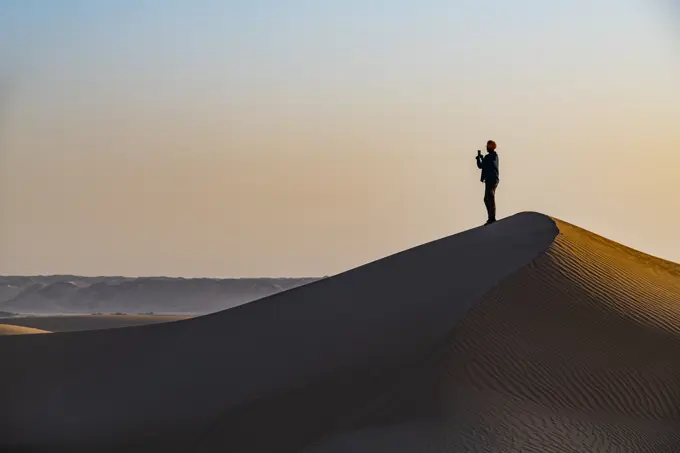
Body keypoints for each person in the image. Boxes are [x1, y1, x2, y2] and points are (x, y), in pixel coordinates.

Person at [476, 140, 500, 225]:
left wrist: (478, 159)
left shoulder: (489, 157)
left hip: (490, 180)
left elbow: (481, 166)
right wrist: (483, 158)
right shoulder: (495, 156)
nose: (486, 147)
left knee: (489, 198)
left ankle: (491, 218)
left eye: (487, 146)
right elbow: (488, 164)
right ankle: (491, 217)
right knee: (488, 198)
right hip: (494, 179)